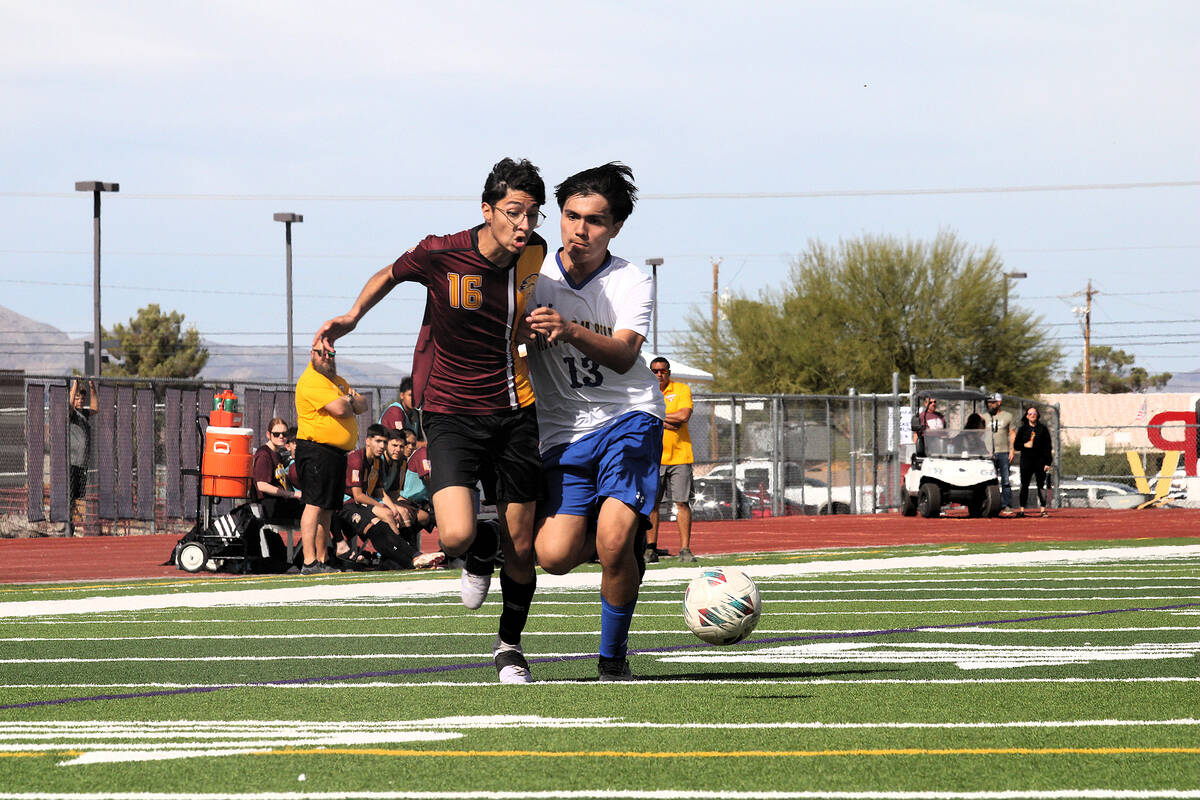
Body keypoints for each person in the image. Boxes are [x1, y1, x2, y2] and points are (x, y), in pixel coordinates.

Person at [314, 157, 548, 683]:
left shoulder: (535, 254)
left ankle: (510, 647)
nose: (524, 225)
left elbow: (528, 315)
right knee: (457, 536)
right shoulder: (441, 252)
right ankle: (480, 549)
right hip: (450, 412)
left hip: (515, 411)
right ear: (487, 210)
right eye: (513, 212)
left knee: (523, 545)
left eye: (533, 214)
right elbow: (389, 274)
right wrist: (351, 317)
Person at [522, 162, 665, 681]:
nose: (580, 230)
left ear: (616, 227)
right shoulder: (530, 275)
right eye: (571, 215)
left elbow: (625, 356)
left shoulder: (631, 280)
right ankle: (623, 548)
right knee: (554, 556)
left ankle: (612, 658)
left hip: (628, 418)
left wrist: (568, 329)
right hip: (562, 430)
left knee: (612, 541)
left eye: (595, 220)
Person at [294, 344, 367, 574]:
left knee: (327, 509)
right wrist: (348, 400)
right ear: (312, 354)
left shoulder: (336, 381)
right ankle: (309, 562)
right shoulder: (311, 379)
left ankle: (322, 559)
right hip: (316, 450)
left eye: (331, 353)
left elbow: (363, 405)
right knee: (314, 505)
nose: (327, 356)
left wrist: (348, 398)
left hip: (334, 454)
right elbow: (340, 409)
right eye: (322, 352)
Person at [646, 357, 696, 563]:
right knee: (652, 504)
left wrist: (657, 417)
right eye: (655, 371)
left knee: (682, 503)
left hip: (680, 456)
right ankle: (650, 549)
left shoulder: (681, 389)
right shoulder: (645, 392)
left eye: (663, 371)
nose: (659, 374)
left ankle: (685, 549)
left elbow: (684, 416)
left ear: (669, 372)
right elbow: (641, 417)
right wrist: (667, 420)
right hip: (653, 457)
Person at [252, 417, 304, 525]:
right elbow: (262, 485)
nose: (281, 436)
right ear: (268, 435)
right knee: (314, 510)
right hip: (270, 505)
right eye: (276, 434)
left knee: (318, 507)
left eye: (284, 434)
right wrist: (291, 494)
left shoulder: (277, 454)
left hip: (281, 502)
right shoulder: (264, 454)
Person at [67, 379, 98, 536]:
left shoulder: (84, 413)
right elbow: (69, 404)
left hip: (82, 463)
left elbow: (95, 408)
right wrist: (75, 385)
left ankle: (73, 524)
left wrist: (92, 388)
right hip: (71, 463)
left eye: (82, 399)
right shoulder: (72, 414)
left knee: (79, 496)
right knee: (70, 496)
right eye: (78, 398)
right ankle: (68, 525)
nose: (80, 401)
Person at [1013, 405, 1053, 517]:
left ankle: (1043, 510)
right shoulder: (1023, 429)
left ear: (1037, 416)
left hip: (1040, 461)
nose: (1032, 416)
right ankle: (1022, 510)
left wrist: (1047, 462)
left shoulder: (1042, 429)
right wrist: (1024, 445)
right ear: (1027, 416)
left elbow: (1048, 446)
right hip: (1026, 460)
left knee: (1041, 485)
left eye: (1034, 414)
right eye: (1030, 414)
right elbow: (1016, 445)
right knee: (1024, 484)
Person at [983, 393, 1017, 515]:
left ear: (999, 402)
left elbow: (1012, 433)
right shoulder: (984, 417)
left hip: (1003, 452)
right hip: (988, 453)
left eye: (992, 402)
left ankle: (1006, 505)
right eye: (989, 403)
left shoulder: (1007, 416)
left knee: (1005, 480)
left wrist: (1012, 450)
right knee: (988, 480)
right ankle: (989, 504)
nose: (990, 405)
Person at [380, 376, 426, 447]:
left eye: (416, 395)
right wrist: (427, 445)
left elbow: (420, 439)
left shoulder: (415, 413)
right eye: (410, 395)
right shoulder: (396, 411)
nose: (414, 399)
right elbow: (401, 441)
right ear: (402, 395)